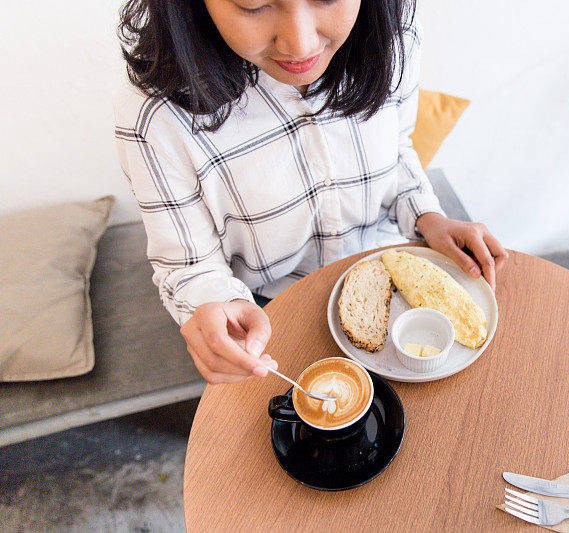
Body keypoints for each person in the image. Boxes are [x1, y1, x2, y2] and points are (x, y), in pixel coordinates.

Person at [114, 0, 508, 385]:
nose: (300, 44)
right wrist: (219, 308)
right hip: (271, 321)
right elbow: (190, 267)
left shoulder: (393, 32)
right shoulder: (155, 116)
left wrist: (427, 215)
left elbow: (397, 145)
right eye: (253, 5)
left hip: (391, 280)